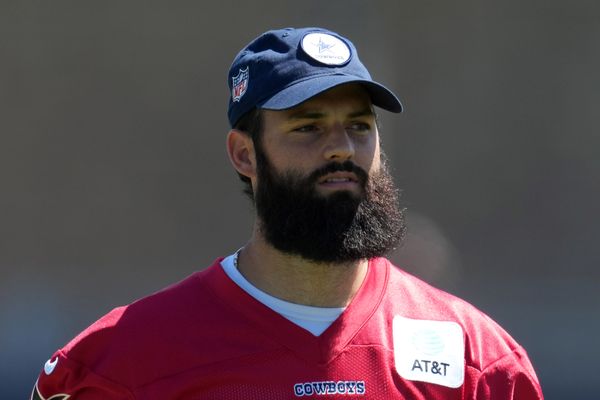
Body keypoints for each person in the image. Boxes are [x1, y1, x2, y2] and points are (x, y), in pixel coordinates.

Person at [31, 27, 544, 399]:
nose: (341, 148)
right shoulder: (120, 364)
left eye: (359, 127)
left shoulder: (479, 361)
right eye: (308, 127)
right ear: (244, 155)